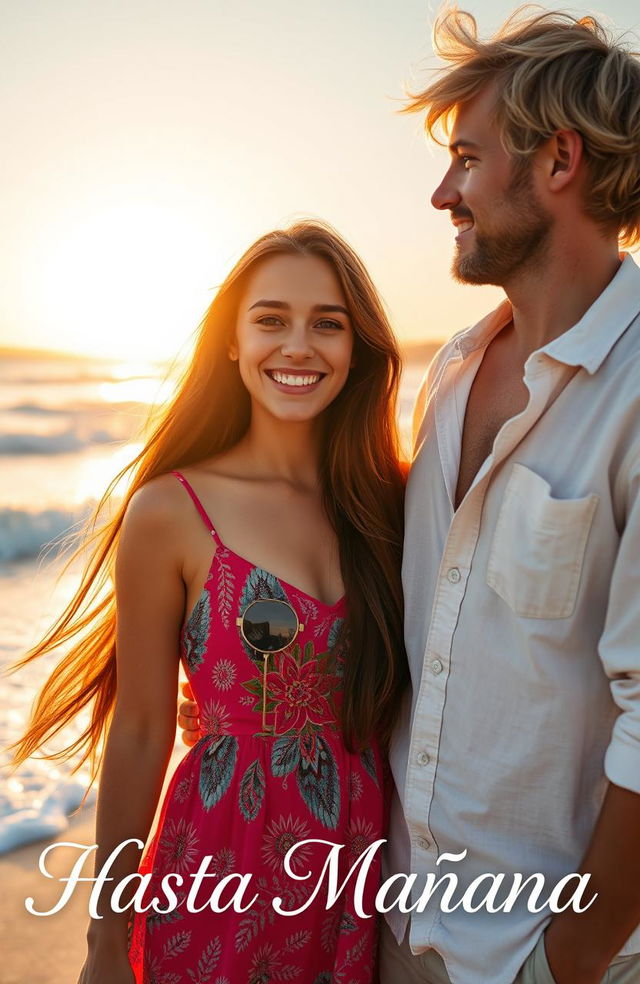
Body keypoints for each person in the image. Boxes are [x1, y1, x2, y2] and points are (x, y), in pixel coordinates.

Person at [12, 221, 408, 983]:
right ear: (231, 341)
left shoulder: (392, 500)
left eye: (328, 324)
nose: (298, 346)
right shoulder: (172, 510)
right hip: (224, 860)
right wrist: (103, 938)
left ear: (357, 349)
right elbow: (138, 733)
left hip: (369, 868)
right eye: (270, 320)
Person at [377, 8, 640, 984]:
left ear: (558, 160)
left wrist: (564, 962)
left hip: (551, 954)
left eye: (468, 159)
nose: (443, 192)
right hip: (405, 921)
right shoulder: (447, 375)